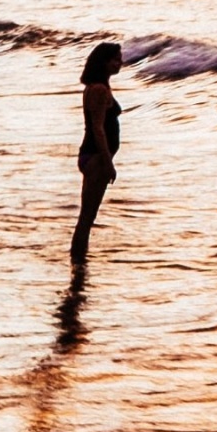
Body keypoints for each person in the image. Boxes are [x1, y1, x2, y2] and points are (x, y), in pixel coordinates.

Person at [71, 40, 123, 265]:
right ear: (103, 62)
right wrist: (108, 162)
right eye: (115, 60)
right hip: (96, 158)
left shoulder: (97, 87)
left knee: (87, 216)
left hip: (94, 157)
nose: (120, 63)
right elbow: (98, 129)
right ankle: (78, 263)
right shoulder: (99, 90)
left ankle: (79, 262)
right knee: (87, 217)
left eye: (120, 59)